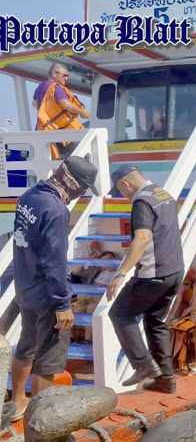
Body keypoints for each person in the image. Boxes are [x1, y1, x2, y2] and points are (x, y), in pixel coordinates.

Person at [10, 155, 98, 422]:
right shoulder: (57, 209)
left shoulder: (29, 196)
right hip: (48, 296)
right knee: (48, 359)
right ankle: (37, 418)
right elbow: (55, 260)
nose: (81, 195)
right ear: (73, 184)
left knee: (26, 346)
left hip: (25, 289)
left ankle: (17, 402)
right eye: (82, 189)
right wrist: (63, 304)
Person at [107, 165, 184, 394]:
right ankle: (166, 379)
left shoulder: (141, 202)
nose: (123, 195)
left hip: (154, 274)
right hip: (174, 272)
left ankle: (142, 365)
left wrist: (121, 273)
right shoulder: (162, 194)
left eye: (121, 191)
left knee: (120, 313)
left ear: (125, 184)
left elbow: (141, 238)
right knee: (155, 320)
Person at [33, 64, 91, 159]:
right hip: (58, 130)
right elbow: (66, 104)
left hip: (43, 129)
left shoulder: (40, 87)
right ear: (54, 73)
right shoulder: (55, 87)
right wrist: (82, 112)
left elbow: (34, 103)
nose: (66, 78)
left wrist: (48, 113)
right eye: (64, 75)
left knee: (52, 160)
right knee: (72, 159)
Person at [70, 249, 116, 342]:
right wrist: (89, 259)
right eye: (104, 262)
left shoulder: (115, 275)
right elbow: (75, 272)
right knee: (71, 307)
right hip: (86, 297)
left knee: (91, 307)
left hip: (100, 299)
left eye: (109, 260)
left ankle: (87, 339)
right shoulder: (95, 272)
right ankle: (71, 337)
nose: (107, 264)